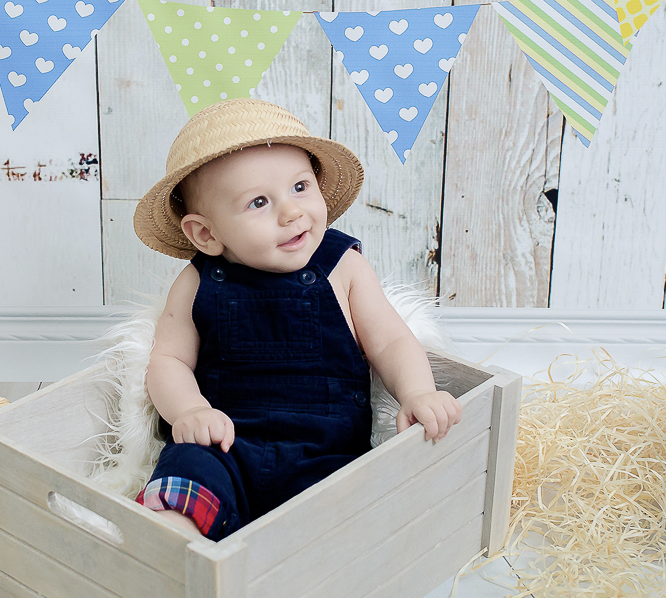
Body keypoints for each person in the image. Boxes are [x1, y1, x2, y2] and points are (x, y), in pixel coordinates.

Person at [132, 98, 462, 540]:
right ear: (206, 234)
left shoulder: (343, 267)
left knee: (350, 503)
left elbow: (390, 342)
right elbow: (167, 360)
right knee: (187, 467)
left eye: (301, 187)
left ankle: (306, 559)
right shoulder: (196, 282)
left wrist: (418, 392)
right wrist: (189, 410)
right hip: (225, 444)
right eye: (259, 202)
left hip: (325, 450)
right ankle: (174, 542)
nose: (291, 212)